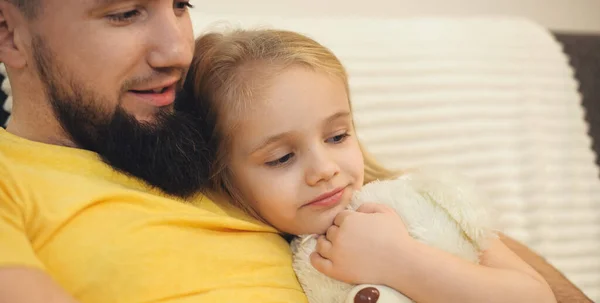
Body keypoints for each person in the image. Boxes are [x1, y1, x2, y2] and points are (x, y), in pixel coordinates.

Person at [0, 0, 592, 303]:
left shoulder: (193, 125)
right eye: (125, 12)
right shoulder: (12, 181)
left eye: (180, 3)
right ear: (8, 33)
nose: (175, 49)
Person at [184, 28, 556, 303]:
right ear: (221, 175)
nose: (325, 169)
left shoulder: (419, 204)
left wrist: (400, 261)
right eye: (282, 158)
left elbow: (537, 298)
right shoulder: (255, 263)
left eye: (337, 136)